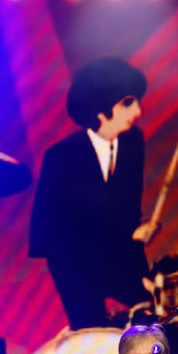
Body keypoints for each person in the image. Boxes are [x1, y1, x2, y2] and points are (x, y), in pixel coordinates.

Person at [29, 56, 157, 331]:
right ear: (101, 111)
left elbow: (127, 214)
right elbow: (50, 237)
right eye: (128, 102)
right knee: (94, 338)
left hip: (121, 259)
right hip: (75, 265)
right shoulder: (60, 158)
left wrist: (140, 270)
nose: (138, 110)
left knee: (152, 324)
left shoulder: (133, 143)